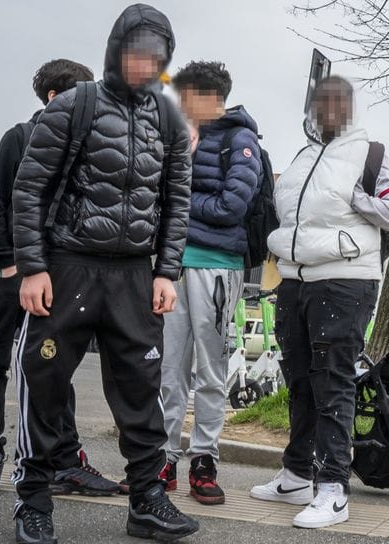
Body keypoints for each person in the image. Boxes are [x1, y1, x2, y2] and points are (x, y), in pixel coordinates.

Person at [10, 4, 199, 542]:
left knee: (141, 391)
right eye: (139, 51)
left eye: (157, 56)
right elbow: (29, 188)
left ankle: (147, 500)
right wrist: (32, 267)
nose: (147, 63)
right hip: (67, 268)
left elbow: (176, 202)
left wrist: (167, 273)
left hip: (135, 277)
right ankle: (33, 500)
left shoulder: (167, 118)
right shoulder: (75, 104)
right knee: (44, 383)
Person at [251, 76, 389, 529]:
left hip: (345, 281)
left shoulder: (371, 154)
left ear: (351, 107)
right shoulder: (303, 156)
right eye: (321, 102)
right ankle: (297, 474)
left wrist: (359, 200)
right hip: (294, 280)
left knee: (333, 383)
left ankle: (334, 489)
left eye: (338, 102)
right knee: (299, 380)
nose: (328, 110)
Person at [0, 60, 119, 499]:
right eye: (79, 96)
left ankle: (64, 460)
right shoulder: (19, 137)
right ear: (54, 97)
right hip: (12, 273)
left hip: (57, 276)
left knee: (54, 368)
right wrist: (9, 267)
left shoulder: (83, 146)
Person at [157, 60, 261, 506]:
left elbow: (231, 206)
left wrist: (179, 198)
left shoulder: (241, 140)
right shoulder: (177, 136)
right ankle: (162, 458)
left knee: (210, 371)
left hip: (217, 268)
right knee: (168, 369)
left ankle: (204, 459)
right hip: (172, 268)